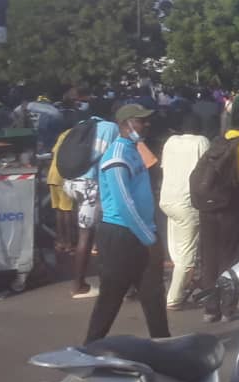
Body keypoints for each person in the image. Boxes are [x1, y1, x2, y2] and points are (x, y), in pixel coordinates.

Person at [84, 104, 170, 343]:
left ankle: (163, 344)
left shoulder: (134, 150)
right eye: (140, 121)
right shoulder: (117, 156)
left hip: (140, 232)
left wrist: (150, 233)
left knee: (153, 295)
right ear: (125, 125)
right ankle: (90, 348)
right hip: (120, 237)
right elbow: (124, 204)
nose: (146, 125)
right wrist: (149, 239)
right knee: (111, 297)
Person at [199, 102, 239, 321]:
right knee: (230, 258)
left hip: (207, 206)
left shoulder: (217, 142)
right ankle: (228, 308)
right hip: (231, 208)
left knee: (209, 258)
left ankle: (210, 308)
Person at [63, 101, 120, 298]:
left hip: (72, 182)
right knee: (87, 235)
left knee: (92, 230)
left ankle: (99, 279)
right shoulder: (111, 128)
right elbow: (113, 157)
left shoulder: (82, 126)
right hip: (90, 185)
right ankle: (78, 286)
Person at [159, 112, 210, 311]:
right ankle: (175, 297)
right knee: (187, 255)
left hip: (167, 200)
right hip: (187, 203)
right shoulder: (201, 142)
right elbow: (207, 170)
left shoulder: (170, 142)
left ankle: (183, 284)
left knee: (177, 249)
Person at [47, 128, 77, 255]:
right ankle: (69, 244)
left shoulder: (62, 136)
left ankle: (60, 242)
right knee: (67, 211)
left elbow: (53, 153)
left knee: (59, 210)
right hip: (63, 177)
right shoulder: (74, 138)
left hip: (52, 176)